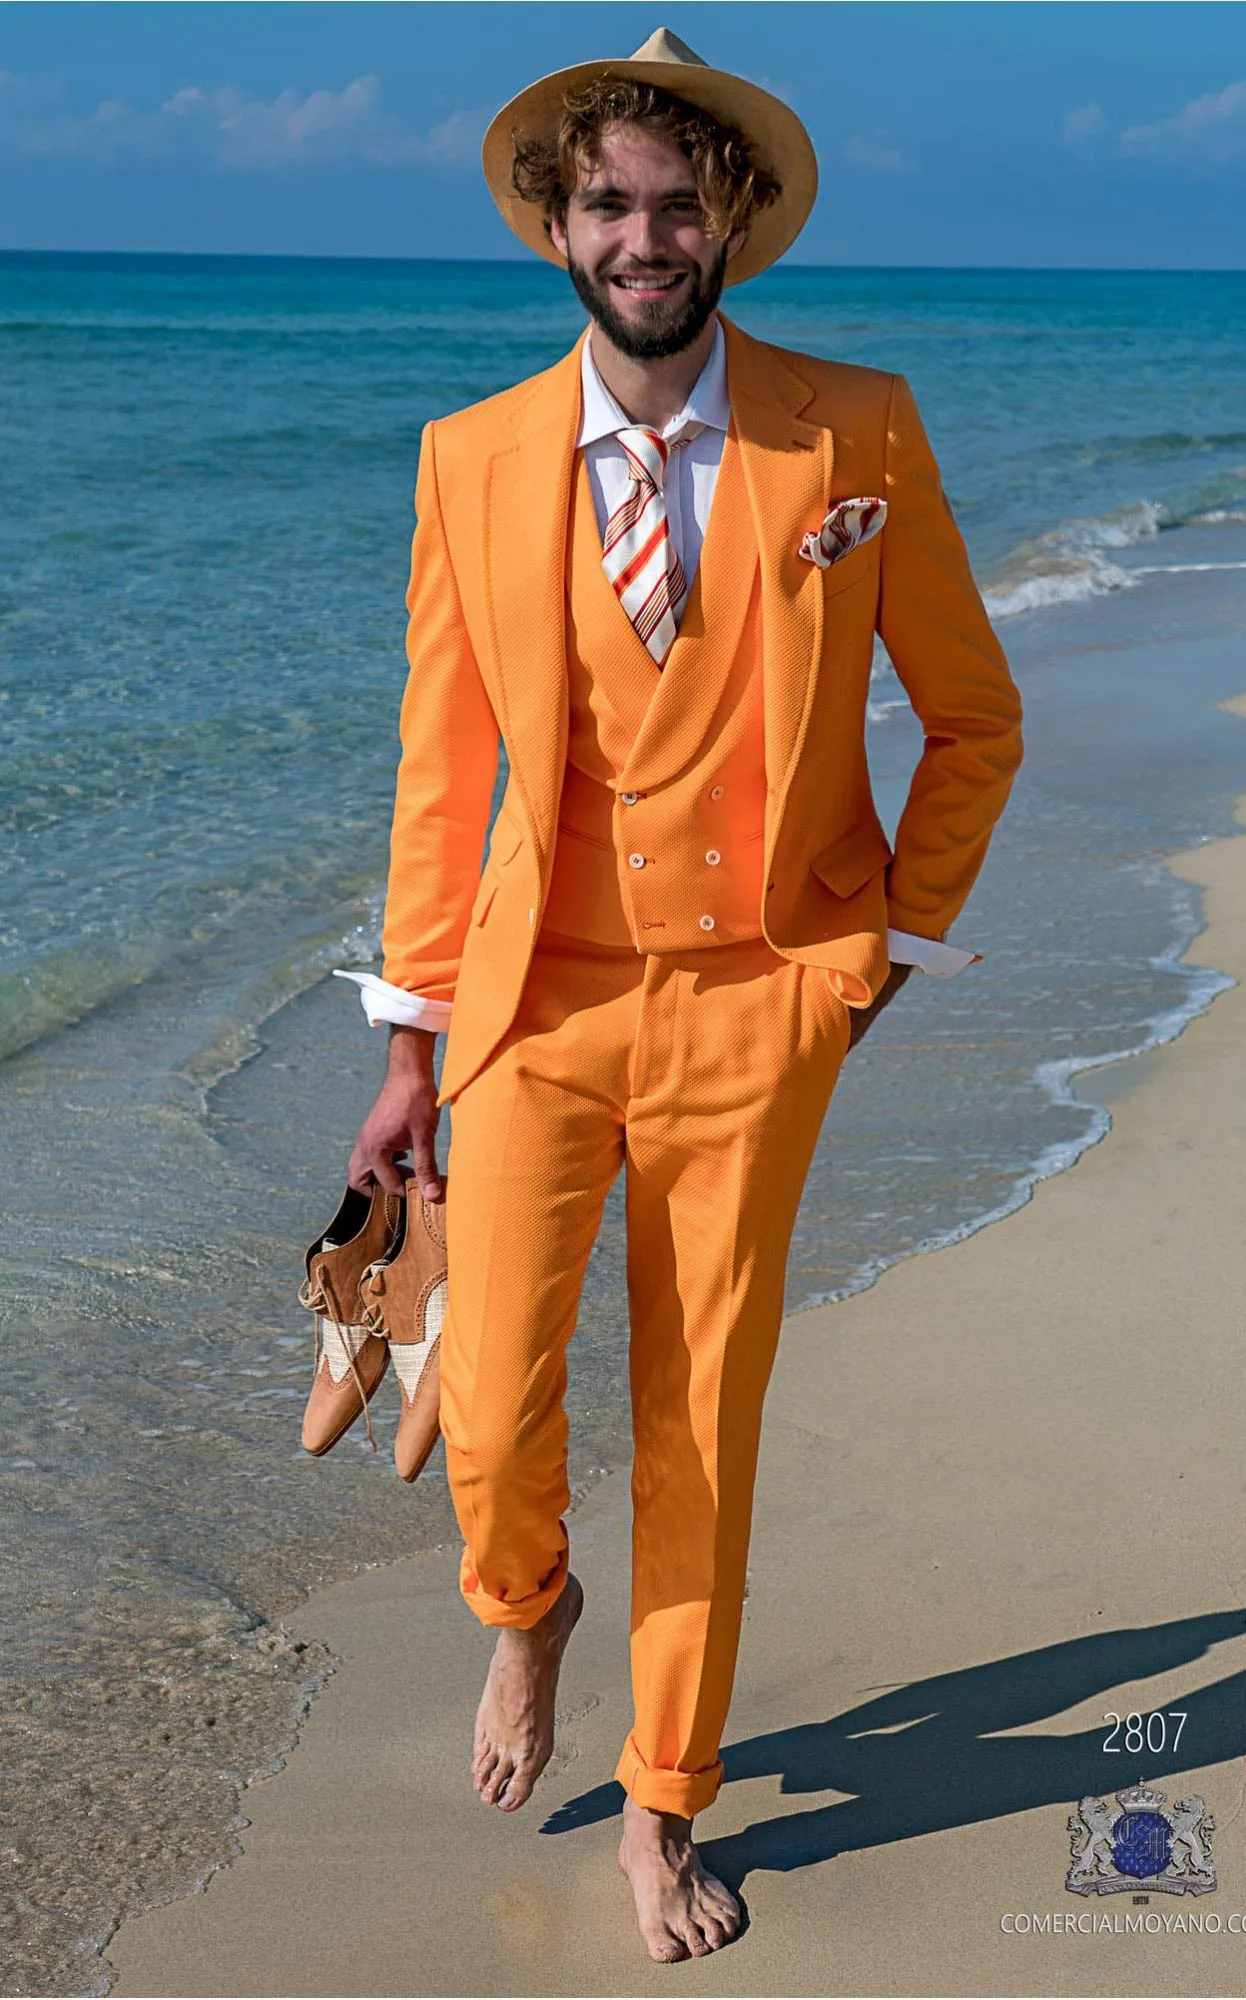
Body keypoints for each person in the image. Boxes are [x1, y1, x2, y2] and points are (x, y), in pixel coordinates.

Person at [340, 26, 1023, 1963]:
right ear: (558, 223)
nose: (645, 236)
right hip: (533, 1003)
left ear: (728, 217)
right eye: (610, 203)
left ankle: (662, 1800)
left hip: (761, 1003)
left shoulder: (852, 433)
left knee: (702, 1411)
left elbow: (975, 717)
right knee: (486, 1399)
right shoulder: (469, 460)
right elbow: (434, 760)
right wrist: (410, 1043)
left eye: (675, 202)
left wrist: (878, 947)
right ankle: (525, 1604)